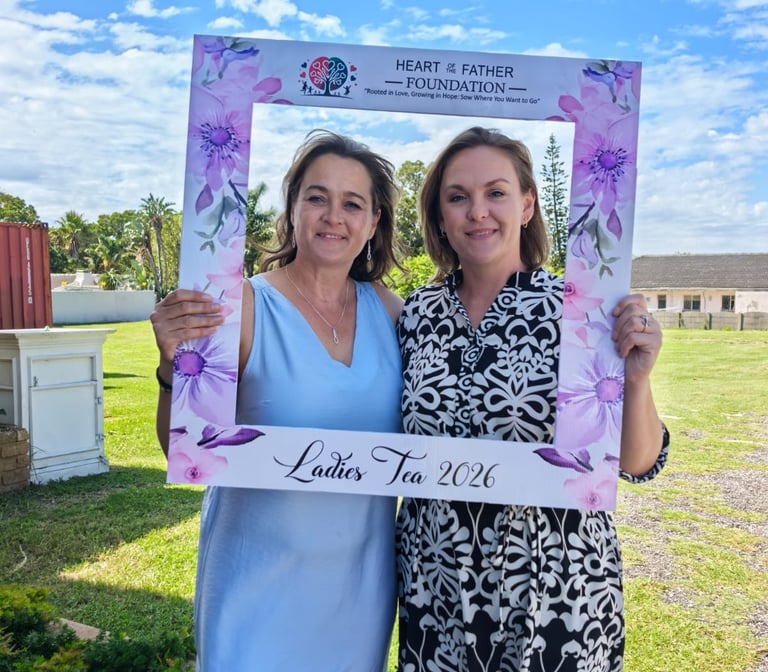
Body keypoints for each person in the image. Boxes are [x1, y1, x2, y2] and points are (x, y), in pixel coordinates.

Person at [395, 126, 669, 672]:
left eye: (496, 192)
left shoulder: (581, 312)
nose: (478, 211)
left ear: (526, 205)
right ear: (440, 217)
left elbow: (637, 462)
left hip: (555, 582)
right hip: (436, 581)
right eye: (458, 196)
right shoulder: (414, 315)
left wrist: (637, 379)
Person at [151, 130, 404, 671]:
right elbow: (184, 449)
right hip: (255, 583)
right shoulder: (240, 307)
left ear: (373, 222)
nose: (333, 216)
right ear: (292, 209)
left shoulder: (393, 314)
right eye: (317, 197)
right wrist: (173, 367)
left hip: (359, 589)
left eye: (352, 203)